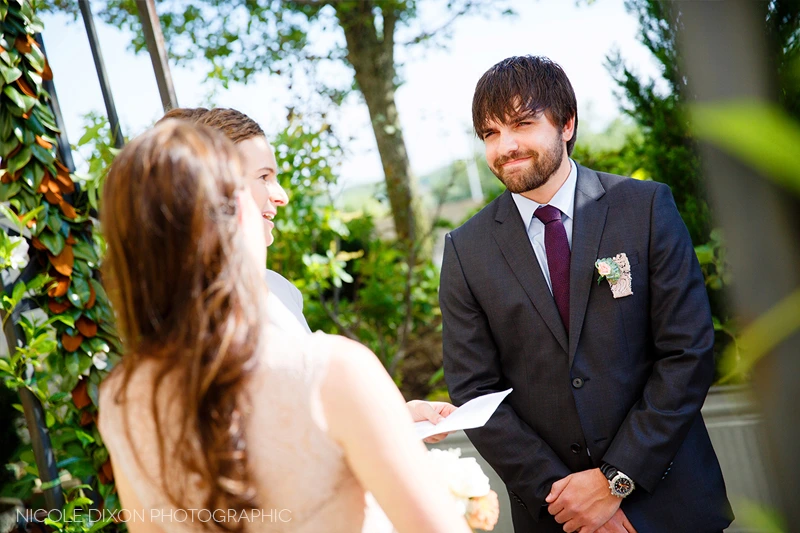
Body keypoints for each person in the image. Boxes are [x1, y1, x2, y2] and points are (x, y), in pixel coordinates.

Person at [97, 120, 471, 533]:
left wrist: (388, 419)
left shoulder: (121, 401)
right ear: (234, 212)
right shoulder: (336, 368)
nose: (277, 196)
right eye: (256, 181)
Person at [439, 55, 733, 533]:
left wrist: (615, 481)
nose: (505, 146)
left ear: (567, 123)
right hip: (557, 516)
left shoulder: (646, 208)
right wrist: (566, 501)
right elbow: (475, 391)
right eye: (490, 133)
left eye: (522, 124)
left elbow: (687, 352)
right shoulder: (465, 250)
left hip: (671, 504)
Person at [157, 107, 456, 442]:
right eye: (264, 177)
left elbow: (312, 409)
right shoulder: (180, 319)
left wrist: (396, 418)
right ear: (217, 188)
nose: (281, 196)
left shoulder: (279, 289)